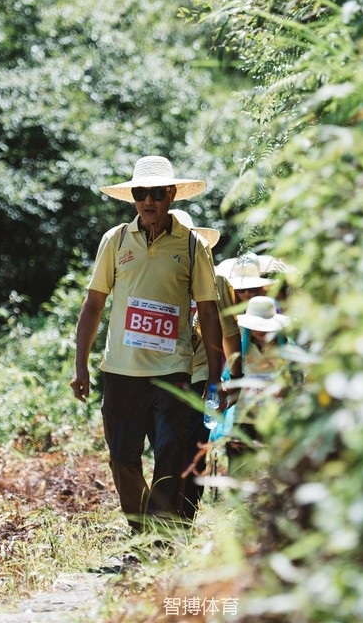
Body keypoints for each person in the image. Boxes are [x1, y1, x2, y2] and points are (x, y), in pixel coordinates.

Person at [70, 156, 224, 532]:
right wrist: (81, 365)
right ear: (133, 197)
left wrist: (217, 376)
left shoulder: (191, 246)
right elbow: (93, 304)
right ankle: (144, 527)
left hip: (173, 370)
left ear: (171, 195)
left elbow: (208, 311)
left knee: (170, 455)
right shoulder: (116, 239)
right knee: (122, 457)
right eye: (141, 193)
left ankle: (159, 535)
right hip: (121, 369)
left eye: (157, 193)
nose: (149, 200)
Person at [169, 210, 241, 521]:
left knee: (194, 446)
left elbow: (229, 332)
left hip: (199, 374)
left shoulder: (218, 281)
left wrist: (233, 377)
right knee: (167, 445)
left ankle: (185, 515)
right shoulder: (160, 274)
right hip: (163, 370)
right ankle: (165, 511)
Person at [225, 295, 293, 472]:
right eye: (256, 325)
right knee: (239, 469)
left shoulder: (288, 350)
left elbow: (297, 382)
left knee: (272, 469)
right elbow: (228, 379)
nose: (260, 330)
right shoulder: (238, 350)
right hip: (244, 418)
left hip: (275, 418)